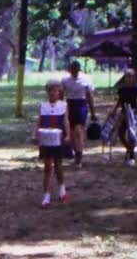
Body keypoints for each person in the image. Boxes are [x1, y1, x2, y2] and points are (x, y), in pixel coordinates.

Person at [33, 79, 71, 209]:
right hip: (46, 138)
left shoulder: (64, 105)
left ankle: (62, 190)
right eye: (50, 91)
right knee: (47, 166)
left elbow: (65, 121)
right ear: (47, 92)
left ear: (59, 92)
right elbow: (38, 121)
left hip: (58, 138)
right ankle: (46, 196)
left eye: (55, 90)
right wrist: (35, 134)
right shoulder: (43, 106)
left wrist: (68, 135)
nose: (53, 93)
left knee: (58, 165)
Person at [61, 61, 97, 168]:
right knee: (71, 132)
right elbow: (61, 96)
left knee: (78, 130)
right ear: (69, 69)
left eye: (76, 69)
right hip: (69, 105)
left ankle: (79, 157)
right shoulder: (65, 80)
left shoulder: (86, 79)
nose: (74, 71)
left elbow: (89, 96)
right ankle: (74, 150)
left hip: (81, 105)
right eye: (72, 69)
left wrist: (93, 112)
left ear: (79, 69)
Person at [110, 69, 137, 166]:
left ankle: (131, 156)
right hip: (123, 112)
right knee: (121, 133)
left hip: (133, 113)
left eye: (130, 76)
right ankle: (129, 149)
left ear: (133, 77)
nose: (128, 78)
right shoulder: (122, 89)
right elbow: (119, 101)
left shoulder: (136, 88)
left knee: (131, 135)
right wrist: (113, 110)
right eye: (127, 76)